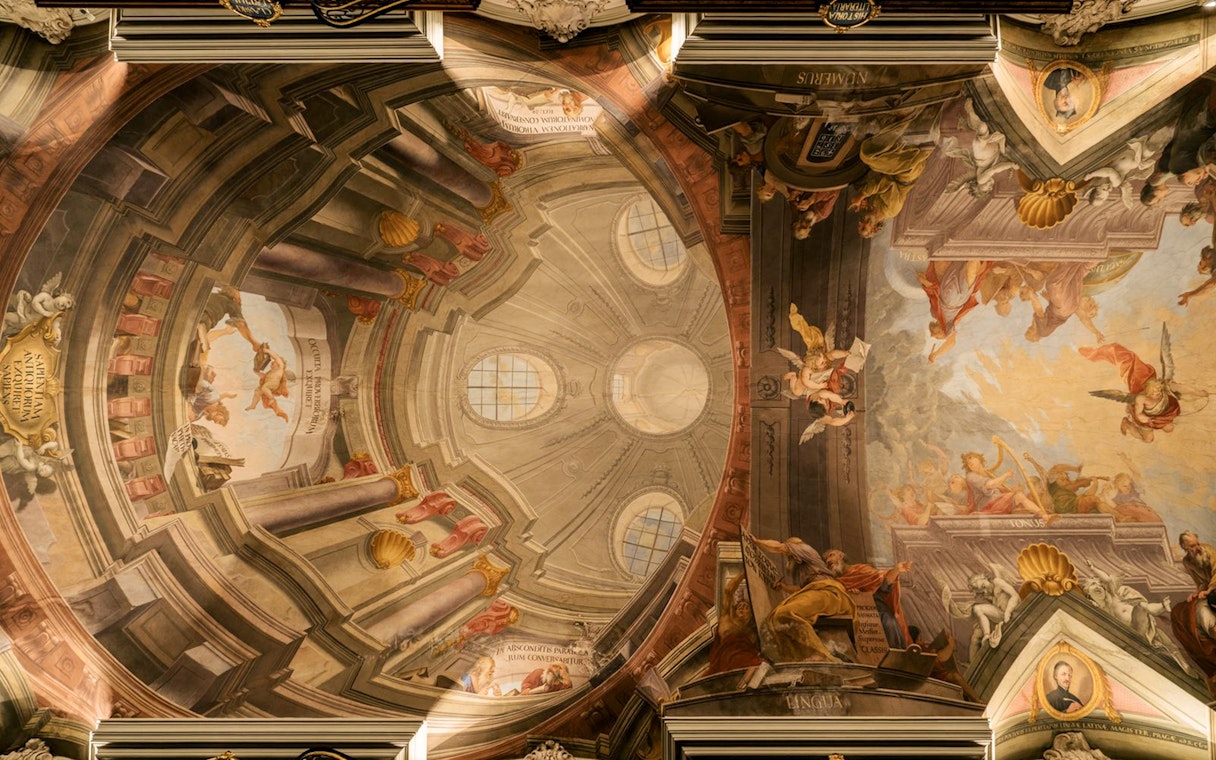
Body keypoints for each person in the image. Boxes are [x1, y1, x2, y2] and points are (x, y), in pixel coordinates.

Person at [754, 537, 856, 662]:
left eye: (790, 553)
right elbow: (803, 589)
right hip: (817, 591)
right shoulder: (803, 567)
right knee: (773, 617)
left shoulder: (804, 549)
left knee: (784, 613)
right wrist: (784, 587)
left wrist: (757, 542)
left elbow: (780, 547)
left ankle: (822, 656)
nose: (789, 558)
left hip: (828, 592)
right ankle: (796, 658)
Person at [824, 549, 914, 649]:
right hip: (856, 615)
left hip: (878, 609)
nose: (828, 560)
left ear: (841, 556)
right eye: (826, 559)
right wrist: (851, 594)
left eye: (831, 555)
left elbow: (882, 584)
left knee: (889, 623)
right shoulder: (837, 582)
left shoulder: (861, 569)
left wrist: (896, 570)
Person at [918, 260, 993, 362]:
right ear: (943, 334)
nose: (932, 335)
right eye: (937, 337)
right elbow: (951, 342)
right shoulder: (948, 325)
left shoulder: (934, 313)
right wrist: (935, 354)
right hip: (959, 296)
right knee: (971, 268)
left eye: (933, 335)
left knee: (960, 263)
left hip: (947, 284)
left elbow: (933, 294)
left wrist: (925, 283)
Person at [1171, 532, 1216, 696]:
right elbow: (1200, 581)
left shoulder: (1208, 550)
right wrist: (1197, 592)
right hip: (1209, 589)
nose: (1197, 548)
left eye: (1197, 544)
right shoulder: (1187, 562)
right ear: (1184, 547)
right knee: (1181, 611)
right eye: (1192, 546)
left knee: (1202, 608)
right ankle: (1205, 648)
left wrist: (1209, 589)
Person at [960, 452, 1056, 521]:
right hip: (987, 505)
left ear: (979, 459)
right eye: (968, 462)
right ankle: (1044, 516)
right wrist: (1005, 475)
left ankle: (1044, 515)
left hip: (997, 501)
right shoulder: (971, 476)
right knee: (1019, 497)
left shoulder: (987, 474)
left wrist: (1014, 490)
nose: (970, 462)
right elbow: (990, 485)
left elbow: (999, 489)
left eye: (971, 458)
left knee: (1020, 496)